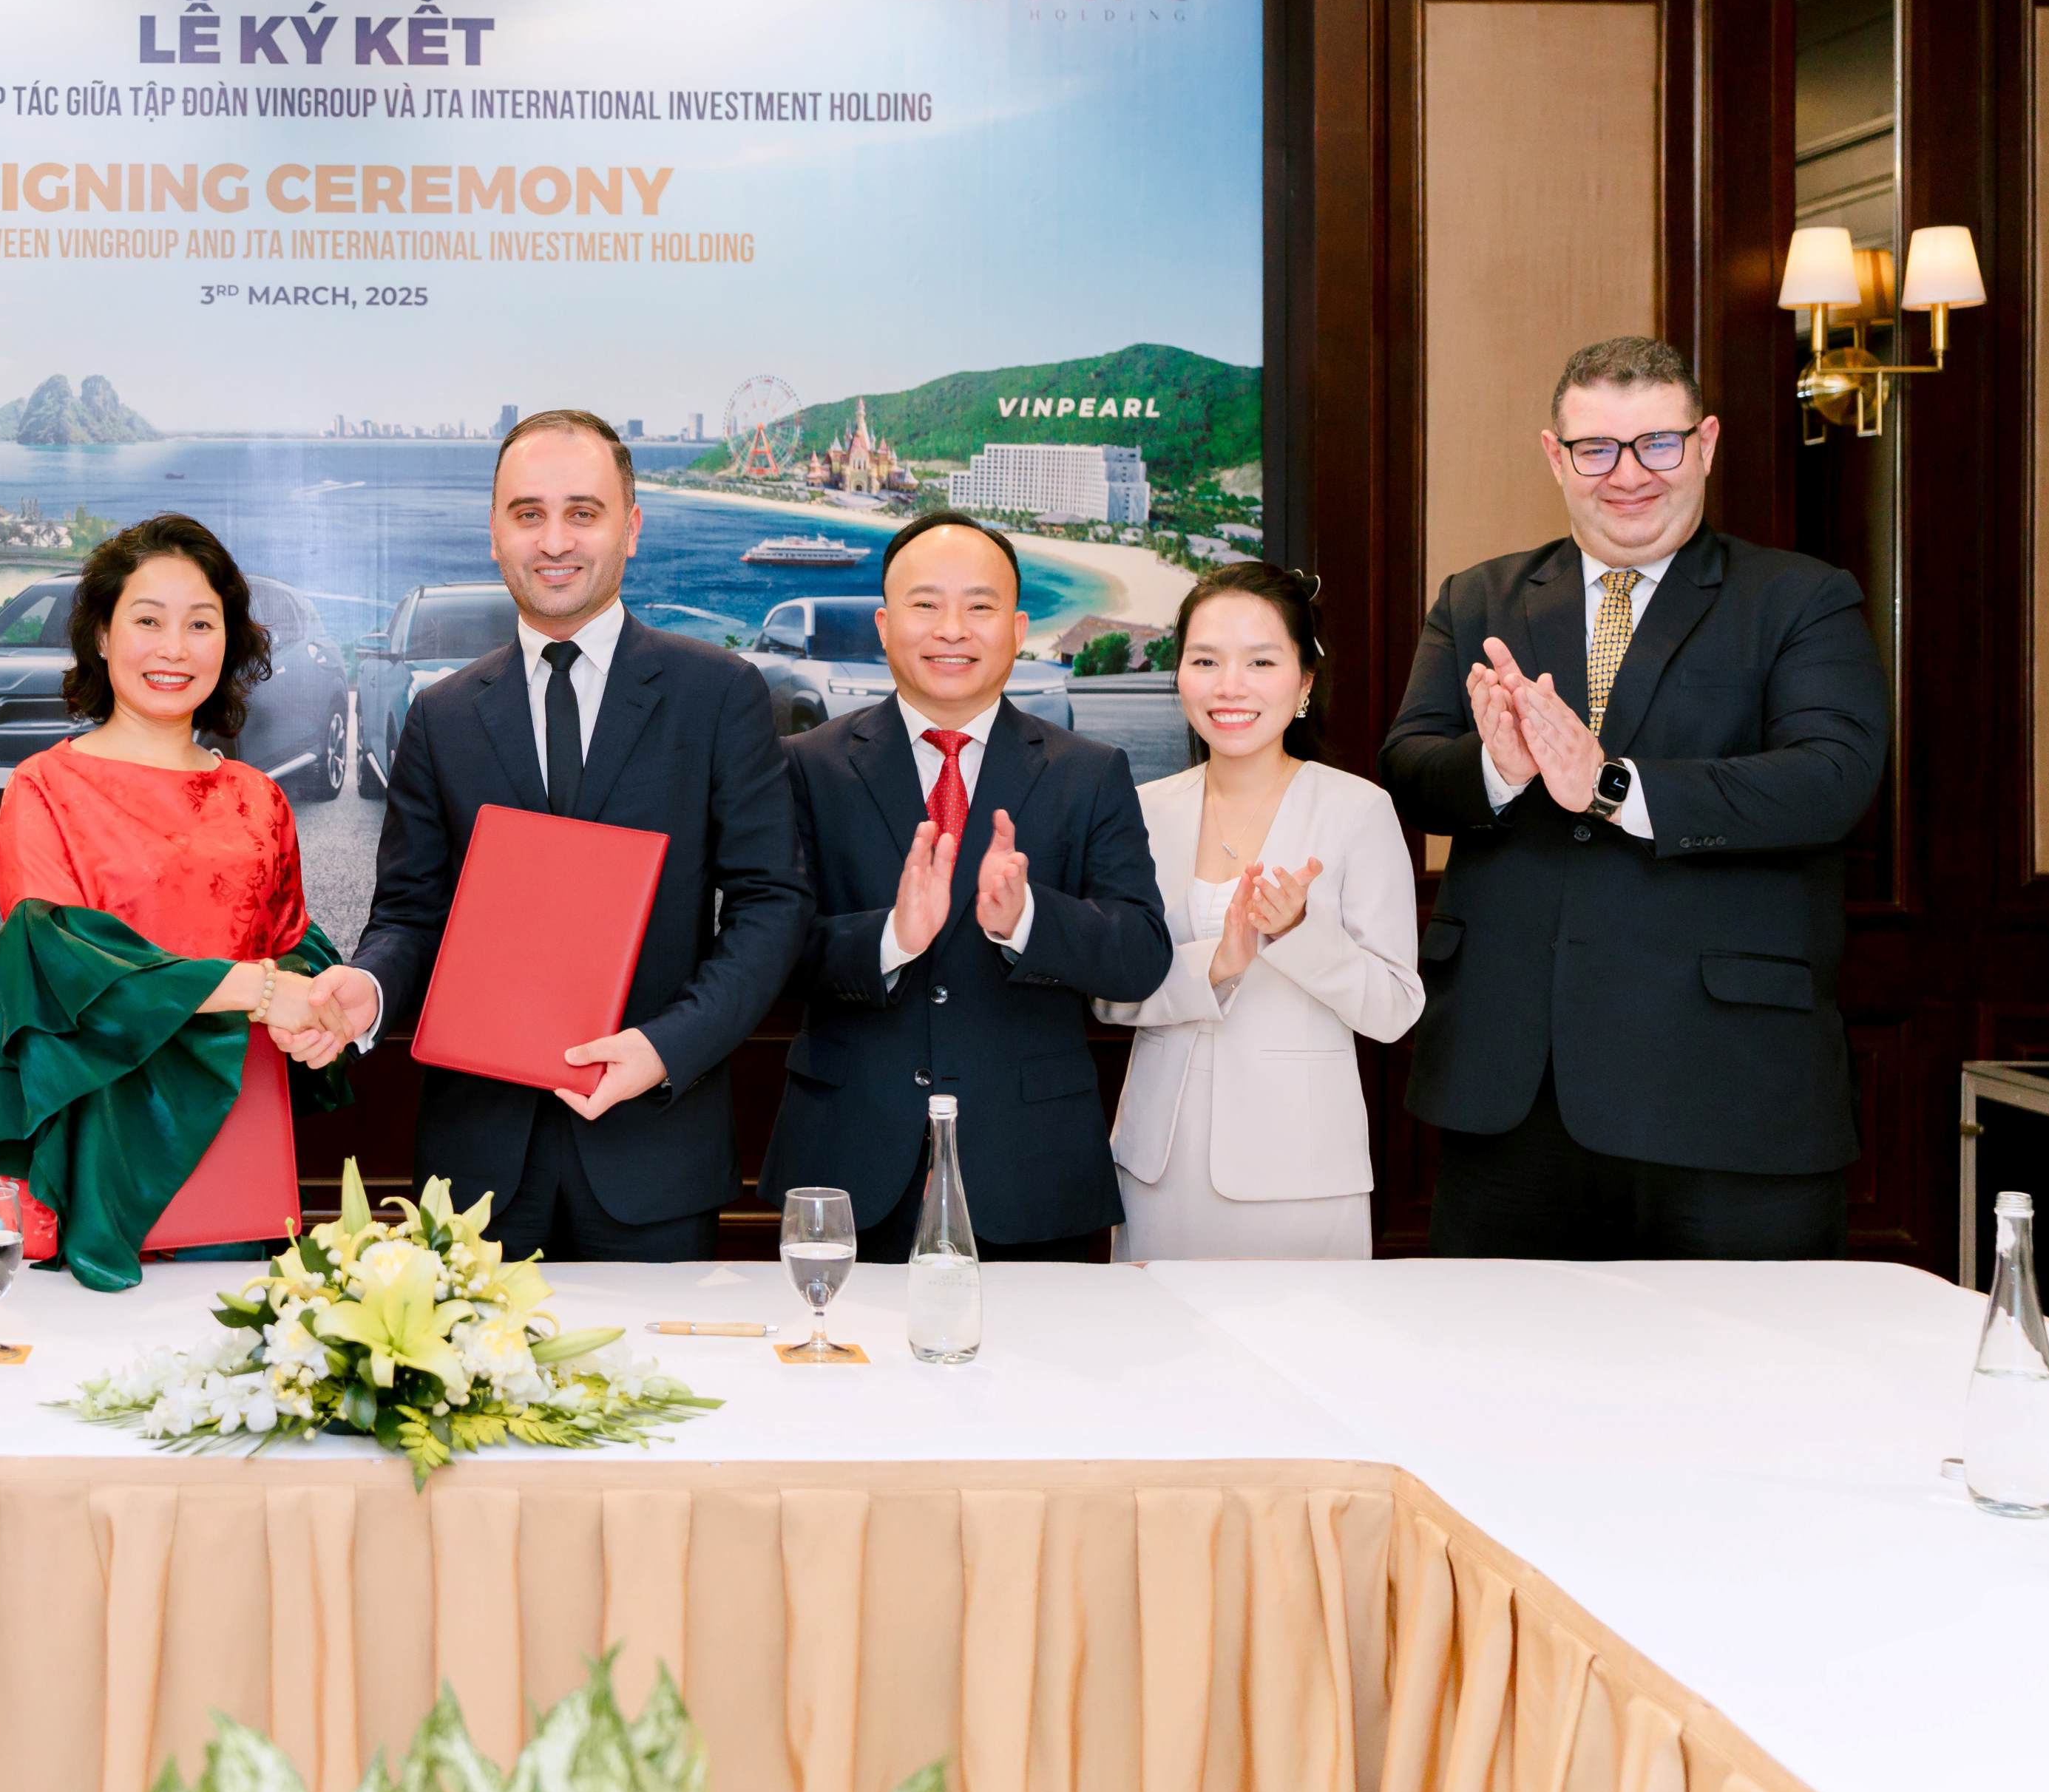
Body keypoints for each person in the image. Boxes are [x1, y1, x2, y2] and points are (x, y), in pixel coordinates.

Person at [1381, 334, 1889, 1258]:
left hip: (1725, 1097)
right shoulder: (1477, 598)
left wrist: (1611, 786)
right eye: (1596, 449)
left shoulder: (1800, 598)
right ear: (1554, 456)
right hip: (1513, 1097)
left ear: (1703, 444)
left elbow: (1831, 779)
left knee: (1742, 1391)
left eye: (1656, 444)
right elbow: (1409, 766)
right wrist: (1497, 769)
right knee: (1498, 1388)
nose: (1628, 476)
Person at [309, 410, 807, 1261]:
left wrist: (663, 1047)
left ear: (631, 529)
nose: (554, 541)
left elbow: (770, 906)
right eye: (527, 513)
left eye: (583, 512)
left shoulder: (718, 695)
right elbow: (409, 914)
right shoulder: (443, 715)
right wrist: (370, 986)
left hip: (658, 1149)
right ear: (495, 533)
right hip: (475, 1170)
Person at [762, 512, 1168, 1260]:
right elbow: (765, 952)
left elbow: (1140, 954)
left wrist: (1026, 921)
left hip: (1032, 1170)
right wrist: (890, 939)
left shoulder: (1088, 771)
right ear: (884, 626)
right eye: (924, 606)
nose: (951, 629)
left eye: (979, 608)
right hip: (847, 1165)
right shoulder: (802, 766)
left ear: (1017, 630)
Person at [0, 516, 359, 1287]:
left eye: (200, 624)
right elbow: (63, 967)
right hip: (90, 1141)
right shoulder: (44, 788)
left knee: (223, 1376)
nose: (174, 648)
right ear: (102, 637)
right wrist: (263, 990)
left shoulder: (257, 799)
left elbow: (293, 945)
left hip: (229, 1139)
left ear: (228, 644)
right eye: (147, 621)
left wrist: (322, 1017)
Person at [1097, 564, 1423, 1259]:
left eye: (1261, 661)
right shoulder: (1143, 811)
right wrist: (1214, 964)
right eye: (1206, 660)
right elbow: (1106, 993)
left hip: (1301, 1174)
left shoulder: (1357, 809)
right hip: (1156, 1167)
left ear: (1304, 682)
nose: (1229, 685)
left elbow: (1396, 1008)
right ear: (1179, 673)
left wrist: (1300, 932)